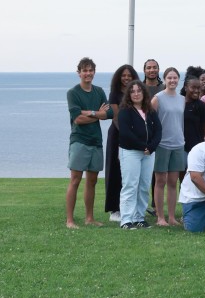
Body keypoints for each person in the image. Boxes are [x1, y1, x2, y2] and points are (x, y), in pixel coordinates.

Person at [65, 57, 111, 228]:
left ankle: (89, 218)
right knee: (75, 180)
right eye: (84, 70)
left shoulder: (99, 91)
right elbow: (77, 119)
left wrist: (89, 113)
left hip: (96, 141)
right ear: (79, 73)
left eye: (90, 70)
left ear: (94, 72)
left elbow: (109, 114)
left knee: (92, 181)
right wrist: (97, 113)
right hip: (79, 141)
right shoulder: (73, 93)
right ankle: (70, 220)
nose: (88, 73)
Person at [116, 81, 162, 229]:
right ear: (128, 95)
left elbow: (158, 130)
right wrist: (143, 146)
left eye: (139, 91)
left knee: (144, 186)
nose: (136, 94)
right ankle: (126, 220)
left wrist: (151, 147)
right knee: (130, 185)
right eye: (132, 91)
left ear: (144, 92)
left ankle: (139, 218)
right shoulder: (125, 111)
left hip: (148, 153)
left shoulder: (150, 110)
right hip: (130, 152)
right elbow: (126, 133)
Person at [104, 63, 139, 222]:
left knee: (131, 173)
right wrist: (127, 134)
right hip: (118, 135)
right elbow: (116, 117)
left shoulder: (136, 93)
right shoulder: (114, 93)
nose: (126, 78)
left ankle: (131, 207)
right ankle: (115, 209)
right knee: (115, 171)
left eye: (129, 76)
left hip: (135, 136)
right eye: (123, 75)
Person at [151, 66, 185, 226]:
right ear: (164, 80)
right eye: (169, 78)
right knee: (160, 181)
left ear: (178, 79)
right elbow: (150, 122)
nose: (172, 80)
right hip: (162, 145)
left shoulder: (182, 99)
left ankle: (171, 217)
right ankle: (160, 217)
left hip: (178, 144)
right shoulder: (157, 98)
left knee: (173, 182)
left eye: (175, 77)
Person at [182, 76, 205, 160]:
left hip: (196, 148)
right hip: (179, 147)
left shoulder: (202, 106)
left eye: (198, 88)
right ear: (186, 88)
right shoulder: (179, 103)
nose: (196, 90)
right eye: (193, 88)